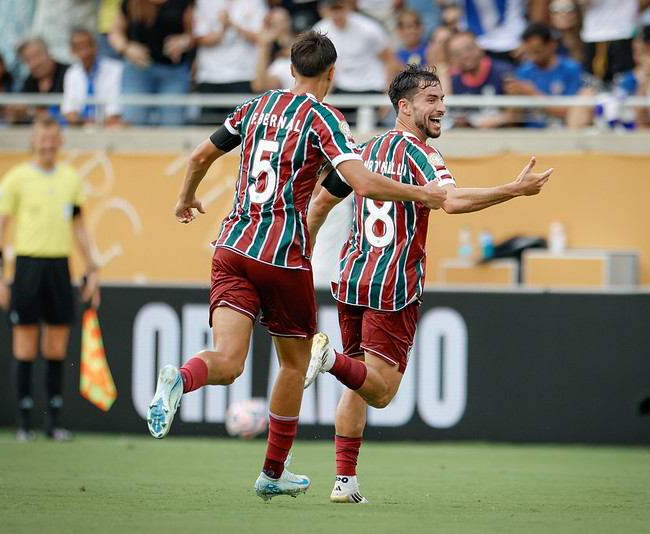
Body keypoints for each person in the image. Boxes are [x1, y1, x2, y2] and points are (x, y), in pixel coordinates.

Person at [145, 30, 447, 502]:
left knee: (226, 360)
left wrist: (186, 198)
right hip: (281, 257)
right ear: (332, 73)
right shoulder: (326, 118)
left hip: (230, 246)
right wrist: (422, 193)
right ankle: (271, 472)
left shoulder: (256, 106)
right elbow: (363, 183)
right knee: (293, 363)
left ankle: (181, 379)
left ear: (290, 69)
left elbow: (201, 155)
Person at [303, 64, 553, 504]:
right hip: (392, 283)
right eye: (431, 100)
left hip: (350, 278)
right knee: (380, 392)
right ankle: (326, 359)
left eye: (442, 99)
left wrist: (302, 249)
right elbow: (451, 201)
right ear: (405, 107)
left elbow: (321, 202)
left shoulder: (363, 149)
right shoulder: (420, 154)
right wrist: (513, 190)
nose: (441, 108)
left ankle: (345, 481)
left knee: (358, 383)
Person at [0, 115, 101, 442]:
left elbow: (79, 226)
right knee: (25, 346)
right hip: (27, 268)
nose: (48, 144)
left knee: (56, 346)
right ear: (33, 140)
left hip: (59, 268)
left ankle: (53, 423)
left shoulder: (70, 179)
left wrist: (92, 268)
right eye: (42, 138)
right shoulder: (16, 178)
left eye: (53, 139)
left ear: (60, 142)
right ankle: (24, 424)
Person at [108, 0, 194, 126]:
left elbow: (192, 34)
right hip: (137, 69)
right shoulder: (131, 3)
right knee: (134, 122)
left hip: (173, 72)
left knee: (173, 125)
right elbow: (115, 33)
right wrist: (126, 48)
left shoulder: (183, 3)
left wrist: (183, 42)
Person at [504, 22, 592, 129]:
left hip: (563, 133)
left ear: (551, 44)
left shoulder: (571, 69)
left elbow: (573, 111)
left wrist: (532, 93)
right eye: (529, 53)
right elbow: (514, 121)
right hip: (530, 136)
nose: (533, 58)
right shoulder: (523, 71)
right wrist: (513, 100)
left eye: (537, 52)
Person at [192, 0, 268, 124]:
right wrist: (223, 30)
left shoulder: (255, 2)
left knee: (241, 131)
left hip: (243, 76)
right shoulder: (204, 2)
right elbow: (200, 38)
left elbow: (261, 36)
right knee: (208, 132)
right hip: (210, 76)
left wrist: (232, 25)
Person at [445, 29, 516, 128]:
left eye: (469, 48)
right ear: (451, 59)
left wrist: (498, 120)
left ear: (479, 47)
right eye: (457, 53)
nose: (465, 55)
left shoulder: (504, 72)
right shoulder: (453, 81)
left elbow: (517, 113)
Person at [61, 28, 124, 127]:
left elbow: (114, 116)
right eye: (79, 48)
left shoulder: (116, 70)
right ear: (72, 51)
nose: (85, 52)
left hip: (107, 133)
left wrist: (83, 122)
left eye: (87, 46)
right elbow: (70, 114)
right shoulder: (71, 73)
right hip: (81, 133)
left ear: (95, 46)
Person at [10, 37, 69, 124]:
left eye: (37, 55)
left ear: (48, 50)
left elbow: (67, 116)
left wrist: (30, 111)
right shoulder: (29, 81)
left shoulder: (69, 74)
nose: (35, 63)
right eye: (28, 60)